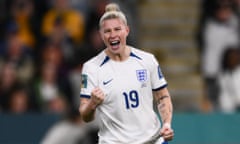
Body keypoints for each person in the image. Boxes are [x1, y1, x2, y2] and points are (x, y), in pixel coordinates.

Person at [79, 3, 174, 144]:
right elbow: (85, 115)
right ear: (101, 35)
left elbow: (162, 97)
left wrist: (166, 124)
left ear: (127, 31)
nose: (113, 35)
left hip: (153, 140)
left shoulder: (147, 60)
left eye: (117, 29)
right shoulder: (92, 68)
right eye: (107, 31)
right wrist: (93, 103)